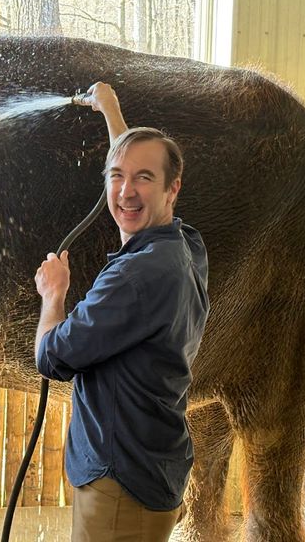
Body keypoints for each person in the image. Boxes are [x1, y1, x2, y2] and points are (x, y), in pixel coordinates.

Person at [34, 82, 210, 541]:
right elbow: (134, 188)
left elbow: (53, 357)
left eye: (144, 178)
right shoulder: (184, 245)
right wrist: (112, 112)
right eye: (117, 175)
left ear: (173, 188)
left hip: (120, 481)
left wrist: (54, 295)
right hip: (153, 463)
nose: (125, 191)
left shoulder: (135, 278)